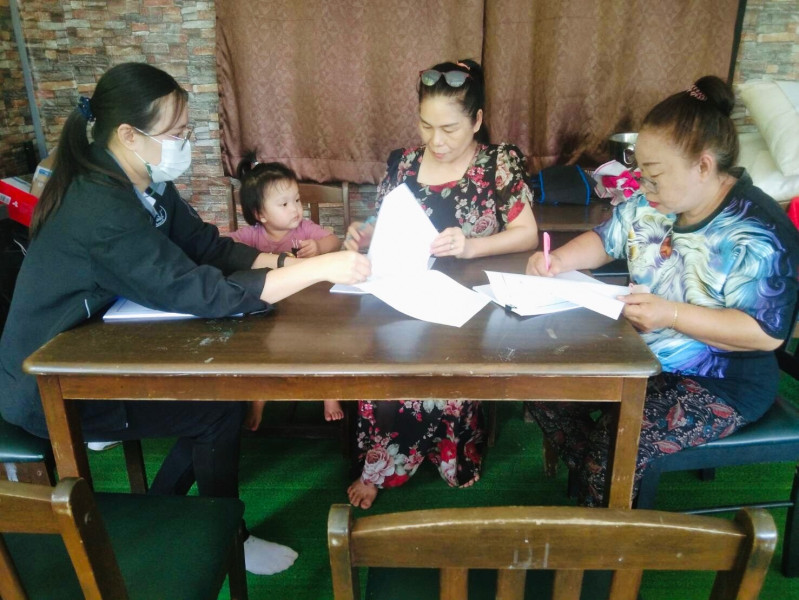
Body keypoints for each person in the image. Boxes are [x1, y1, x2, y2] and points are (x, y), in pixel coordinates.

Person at [0, 62, 370, 574]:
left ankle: (167, 510)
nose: (184, 143)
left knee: (217, 398)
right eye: (175, 133)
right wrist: (321, 269)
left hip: (94, 344)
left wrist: (287, 264)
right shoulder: (99, 207)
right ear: (129, 135)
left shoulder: (144, 182)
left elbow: (207, 247)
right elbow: (200, 290)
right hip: (47, 382)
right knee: (216, 408)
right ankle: (224, 534)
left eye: (185, 131)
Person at [525, 75, 799, 507]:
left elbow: (764, 334)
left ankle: (600, 507)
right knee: (543, 391)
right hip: (643, 358)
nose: (643, 187)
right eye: (641, 174)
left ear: (703, 166)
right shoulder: (651, 203)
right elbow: (607, 239)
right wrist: (558, 261)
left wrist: (670, 314)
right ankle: (603, 483)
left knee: (613, 446)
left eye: (653, 176)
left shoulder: (757, 231)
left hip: (722, 382)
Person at [343, 59, 539, 509]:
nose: (437, 141)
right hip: (404, 293)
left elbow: (527, 234)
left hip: (471, 302)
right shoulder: (404, 163)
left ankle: (447, 452)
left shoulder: (498, 162)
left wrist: (470, 246)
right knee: (385, 368)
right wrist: (365, 232)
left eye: (450, 128)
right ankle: (380, 464)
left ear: (477, 120)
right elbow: (384, 221)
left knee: (444, 369)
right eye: (426, 126)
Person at [228, 157, 345, 424]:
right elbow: (225, 246)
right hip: (269, 310)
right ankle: (259, 397)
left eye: (297, 200)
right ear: (260, 214)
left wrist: (319, 247)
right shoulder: (251, 235)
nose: (295, 209)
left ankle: (328, 392)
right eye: (284, 204)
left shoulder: (305, 229)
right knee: (256, 348)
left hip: (310, 307)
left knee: (325, 341)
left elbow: (334, 240)